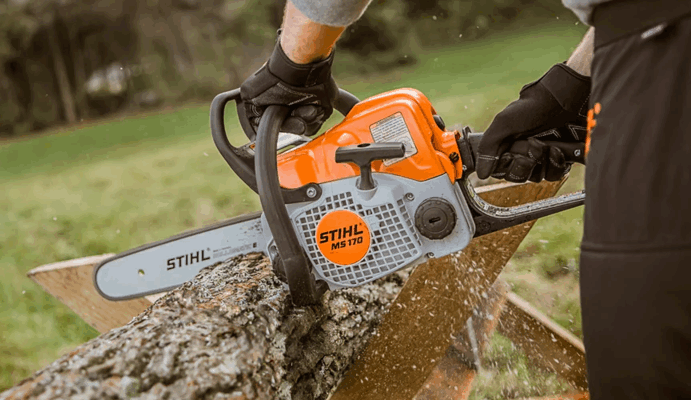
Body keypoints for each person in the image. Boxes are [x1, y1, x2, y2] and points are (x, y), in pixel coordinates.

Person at [237, 0, 691, 398]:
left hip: (661, 51)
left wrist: (296, 65)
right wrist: (575, 83)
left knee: (642, 355)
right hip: (646, 42)